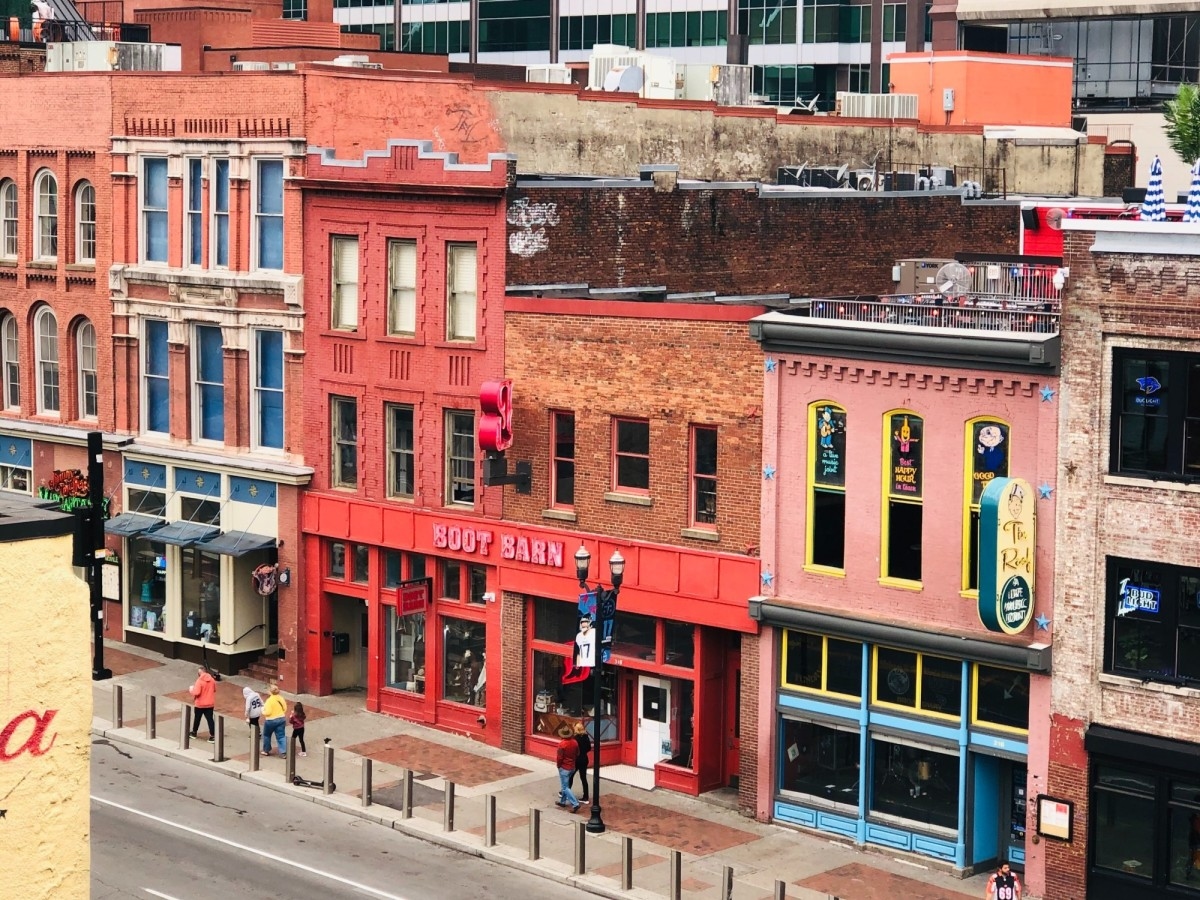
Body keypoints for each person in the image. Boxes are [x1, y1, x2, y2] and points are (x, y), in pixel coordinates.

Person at [187, 667, 216, 743]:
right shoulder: (212, 680)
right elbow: (214, 690)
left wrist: (191, 690)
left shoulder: (199, 681)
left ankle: (194, 733)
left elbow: (196, 692)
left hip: (200, 704)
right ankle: (213, 736)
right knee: (210, 719)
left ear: (199, 673)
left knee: (197, 719)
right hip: (210, 703)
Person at [555, 733, 581, 812]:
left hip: (564, 768)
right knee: (565, 785)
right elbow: (578, 753)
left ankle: (575, 804)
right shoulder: (575, 742)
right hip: (572, 767)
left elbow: (559, 757)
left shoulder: (562, 744)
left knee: (565, 787)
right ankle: (562, 802)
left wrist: (559, 765)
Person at [261, 684, 288, 758]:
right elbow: (285, 708)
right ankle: (283, 752)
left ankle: (266, 750)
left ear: (270, 692)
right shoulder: (281, 698)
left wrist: (262, 710)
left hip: (270, 721)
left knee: (266, 735)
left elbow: (268, 712)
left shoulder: (269, 701)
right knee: (281, 736)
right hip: (281, 719)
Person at [570, 721, 591, 804]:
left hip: (577, 760)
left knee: (570, 776)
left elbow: (573, 750)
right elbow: (589, 748)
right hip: (584, 759)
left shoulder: (575, 739)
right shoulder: (586, 737)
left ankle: (566, 792)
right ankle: (585, 797)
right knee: (583, 778)